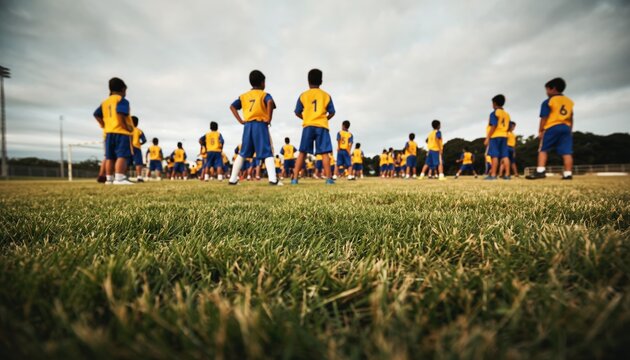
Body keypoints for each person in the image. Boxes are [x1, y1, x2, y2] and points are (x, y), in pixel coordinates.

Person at [228, 70, 281, 185]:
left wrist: (241, 120)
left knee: (243, 153)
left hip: (248, 126)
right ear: (262, 83)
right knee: (267, 152)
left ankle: (232, 179)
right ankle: (273, 180)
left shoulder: (244, 96)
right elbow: (270, 102)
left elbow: (232, 106)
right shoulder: (264, 94)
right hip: (260, 125)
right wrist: (269, 118)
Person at [292, 69, 336, 185]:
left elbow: (297, 112)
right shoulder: (326, 95)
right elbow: (332, 112)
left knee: (302, 152)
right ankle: (329, 179)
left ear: (308, 81)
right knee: (324, 153)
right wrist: (325, 119)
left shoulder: (303, 95)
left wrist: (306, 118)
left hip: (308, 126)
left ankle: (295, 179)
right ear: (321, 81)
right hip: (321, 126)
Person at [527, 78, 574, 180]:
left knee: (543, 149)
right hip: (565, 127)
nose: (546, 92)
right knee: (567, 152)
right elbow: (571, 117)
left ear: (553, 89)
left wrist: (540, 131)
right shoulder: (569, 101)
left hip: (552, 127)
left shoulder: (548, 101)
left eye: (547, 89)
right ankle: (568, 173)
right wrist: (570, 130)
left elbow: (544, 118)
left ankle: (540, 171)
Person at [93, 77, 134, 185]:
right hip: (121, 132)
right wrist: (125, 126)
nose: (125, 93)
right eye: (125, 91)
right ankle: (119, 178)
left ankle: (109, 178)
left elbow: (96, 114)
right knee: (122, 156)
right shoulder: (122, 100)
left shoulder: (105, 102)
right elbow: (120, 113)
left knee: (109, 157)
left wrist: (103, 125)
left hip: (108, 133)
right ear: (122, 89)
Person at [484, 94, 511, 180]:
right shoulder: (507, 114)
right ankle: (507, 174)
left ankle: (493, 175)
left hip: (495, 136)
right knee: (505, 156)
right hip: (504, 136)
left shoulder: (494, 113)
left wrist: (488, 137)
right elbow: (509, 127)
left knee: (494, 156)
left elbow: (494, 125)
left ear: (494, 103)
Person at [130, 116, 147, 182]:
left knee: (125, 161)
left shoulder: (127, 129)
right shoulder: (139, 131)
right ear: (137, 123)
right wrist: (140, 143)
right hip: (136, 147)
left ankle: (122, 176)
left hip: (127, 147)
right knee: (138, 163)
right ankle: (139, 176)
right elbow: (144, 140)